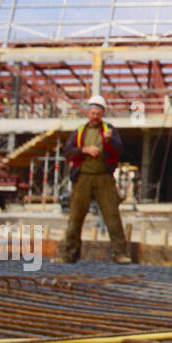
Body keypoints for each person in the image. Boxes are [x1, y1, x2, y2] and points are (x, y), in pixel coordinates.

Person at [61, 95, 130, 265]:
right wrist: (84, 149)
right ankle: (69, 254)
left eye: (98, 113)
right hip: (83, 178)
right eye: (92, 113)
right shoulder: (79, 132)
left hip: (104, 178)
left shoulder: (110, 130)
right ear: (88, 113)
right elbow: (67, 151)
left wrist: (108, 141)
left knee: (112, 216)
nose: (95, 116)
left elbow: (119, 150)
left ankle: (119, 253)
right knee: (75, 216)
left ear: (102, 113)